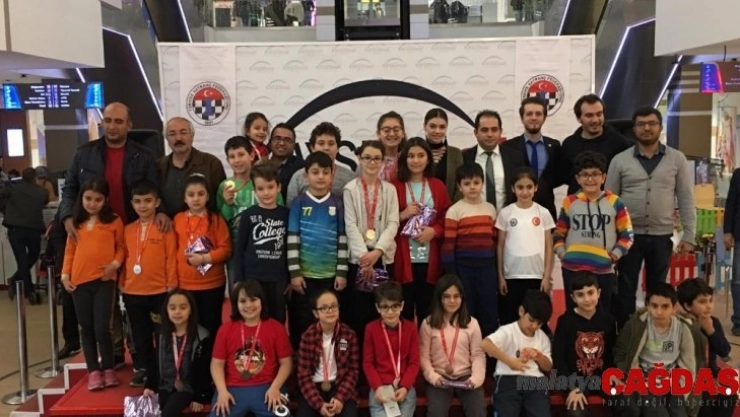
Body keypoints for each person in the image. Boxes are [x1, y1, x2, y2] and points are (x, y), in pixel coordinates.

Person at [60, 102, 162, 368]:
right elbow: (70, 189)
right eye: (108, 120)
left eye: (119, 121)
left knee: (133, 295)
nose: (113, 126)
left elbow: (154, 189)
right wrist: (68, 217)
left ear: (129, 125)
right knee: (107, 300)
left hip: (134, 234)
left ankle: (138, 353)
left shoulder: (144, 155)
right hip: (97, 237)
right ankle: (114, 353)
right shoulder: (84, 154)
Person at [606, 107, 696, 327]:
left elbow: (686, 198)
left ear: (660, 127)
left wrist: (689, 235)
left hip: (662, 236)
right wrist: (609, 238)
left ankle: (656, 332)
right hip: (627, 237)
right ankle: (627, 334)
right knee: (626, 289)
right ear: (634, 129)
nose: (646, 128)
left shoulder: (677, 159)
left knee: (658, 289)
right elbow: (609, 201)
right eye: (641, 124)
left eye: (652, 123)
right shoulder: (619, 160)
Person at [60, 178, 125, 390]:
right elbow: (70, 251)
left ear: (105, 200)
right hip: (79, 283)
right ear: (81, 198)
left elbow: (121, 248)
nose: (92, 203)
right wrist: (65, 276)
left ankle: (108, 367)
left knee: (102, 328)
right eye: (88, 198)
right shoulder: (76, 223)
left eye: (98, 199)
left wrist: (114, 266)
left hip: (104, 281)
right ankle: (93, 371)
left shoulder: (114, 221)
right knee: (86, 329)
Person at [553, 151, 634, 314]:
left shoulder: (615, 202)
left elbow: (627, 235)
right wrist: (563, 254)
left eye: (595, 174)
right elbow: (558, 233)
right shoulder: (570, 202)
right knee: (574, 314)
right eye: (585, 174)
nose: (590, 179)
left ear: (603, 177)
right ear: (578, 179)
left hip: (602, 271)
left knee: (602, 314)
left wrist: (613, 256)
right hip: (572, 270)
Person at [613, 282, 704, 417]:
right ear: (647, 306)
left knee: (680, 414)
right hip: (645, 384)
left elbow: (691, 360)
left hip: (673, 384)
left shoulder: (683, 328)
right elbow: (620, 352)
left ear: (674, 307)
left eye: (665, 306)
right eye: (654, 306)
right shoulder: (636, 325)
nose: (659, 311)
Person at [287, 151, 349, 348]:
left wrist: (341, 272)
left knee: (330, 317)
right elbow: (292, 239)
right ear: (306, 176)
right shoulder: (299, 203)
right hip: (305, 277)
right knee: (303, 318)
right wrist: (295, 273)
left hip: (330, 276)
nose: (320, 177)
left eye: (325, 172)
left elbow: (343, 239)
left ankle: (329, 356)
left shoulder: (338, 203)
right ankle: (302, 356)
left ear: (332, 175)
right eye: (315, 172)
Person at [120, 181, 178, 386]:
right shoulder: (128, 229)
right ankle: (146, 369)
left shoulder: (165, 227)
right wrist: (122, 283)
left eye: (147, 201)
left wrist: (171, 285)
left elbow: (171, 257)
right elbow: (124, 258)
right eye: (137, 202)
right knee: (140, 336)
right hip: (133, 291)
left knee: (162, 334)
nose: (142, 206)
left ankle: (163, 370)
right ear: (132, 204)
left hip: (159, 291)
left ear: (157, 202)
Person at [343, 140, 400, 348]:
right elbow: (350, 224)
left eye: (377, 158)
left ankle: (381, 357)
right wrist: (364, 257)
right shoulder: (350, 189)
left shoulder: (390, 190)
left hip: (382, 258)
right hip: (359, 259)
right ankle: (360, 361)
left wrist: (377, 251)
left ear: (383, 161)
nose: (372, 162)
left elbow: (393, 223)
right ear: (359, 158)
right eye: (367, 157)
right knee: (359, 312)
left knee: (383, 309)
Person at [210, 280, 293, 417]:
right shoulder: (225, 329)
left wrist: (275, 387)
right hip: (232, 388)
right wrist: (222, 391)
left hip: (268, 387)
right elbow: (217, 364)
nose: (248, 305)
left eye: (253, 300)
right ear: (236, 304)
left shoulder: (276, 328)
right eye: (243, 301)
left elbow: (286, 363)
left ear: (262, 301)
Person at [393, 138, 451, 324]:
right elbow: (383, 221)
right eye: (411, 156)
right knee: (404, 313)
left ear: (428, 159)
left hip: (430, 260)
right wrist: (402, 215)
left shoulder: (438, 186)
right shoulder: (394, 186)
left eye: (420, 155)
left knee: (428, 313)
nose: (416, 160)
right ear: (404, 159)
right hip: (403, 261)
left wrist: (434, 231)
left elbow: (446, 217)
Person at [218, 136, 284, 285]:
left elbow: (278, 212)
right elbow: (219, 222)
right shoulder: (224, 186)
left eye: (241, 154)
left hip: (266, 253)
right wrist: (228, 204)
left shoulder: (266, 182)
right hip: (236, 254)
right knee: (240, 294)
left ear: (252, 155)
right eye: (232, 157)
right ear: (227, 160)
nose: (237, 160)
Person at [441, 164, 497, 337]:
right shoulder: (454, 211)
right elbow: (448, 246)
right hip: (463, 270)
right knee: (467, 309)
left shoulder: (490, 209)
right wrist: (452, 274)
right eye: (467, 183)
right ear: (459, 187)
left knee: (489, 309)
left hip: (487, 269)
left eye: (476, 182)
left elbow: (494, 240)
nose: (472, 187)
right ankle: (467, 346)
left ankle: (489, 349)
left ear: (483, 184)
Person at [174, 174, 232, 338]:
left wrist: (204, 259)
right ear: (184, 198)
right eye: (191, 195)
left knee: (211, 326)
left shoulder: (216, 220)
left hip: (212, 284)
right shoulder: (177, 219)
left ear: (207, 196)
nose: (196, 199)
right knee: (190, 328)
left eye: (200, 194)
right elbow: (172, 250)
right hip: (185, 284)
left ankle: (213, 354)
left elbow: (226, 250)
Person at [419, 275, 486, 417]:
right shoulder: (428, 324)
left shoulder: (472, 323)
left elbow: (478, 355)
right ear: (440, 298)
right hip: (439, 376)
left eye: (456, 296)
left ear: (462, 298)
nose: (452, 301)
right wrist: (433, 377)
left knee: (478, 410)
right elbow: (423, 357)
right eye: (447, 296)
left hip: (466, 377)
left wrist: (475, 379)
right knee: (436, 412)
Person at [497, 167, 555, 325]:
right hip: (512, 276)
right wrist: (501, 277)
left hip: (536, 276)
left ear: (536, 188)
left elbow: (549, 246)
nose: (525, 192)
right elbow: (500, 246)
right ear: (512, 188)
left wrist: (546, 276)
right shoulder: (506, 213)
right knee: (510, 319)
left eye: (529, 187)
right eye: (520, 187)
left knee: (535, 317)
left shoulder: (543, 213)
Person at [552, 272, 617, 417]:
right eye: (580, 295)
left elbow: (612, 354)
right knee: (576, 411)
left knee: (627, 404)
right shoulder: (565, 321)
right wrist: (571, 387)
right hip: (575, 380)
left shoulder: (609, 321)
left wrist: (613, 373)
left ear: (598, 293)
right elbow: (559, 358)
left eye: (590, 293)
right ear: (573, 298)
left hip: (603, 379)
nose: (587, 299)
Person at [481, 290, 553, 417]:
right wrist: (510, 361)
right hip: (508, 378)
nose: (534, 326)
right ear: (521, 311)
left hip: (535, 381)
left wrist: (539, 356)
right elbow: (485, 344)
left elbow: (548, 367)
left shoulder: (543, 337)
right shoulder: (508, 331)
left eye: (539, 323)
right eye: (531, 320)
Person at [143, 289, 213, 417]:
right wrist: (150, 386)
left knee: (168, 412)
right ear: (166, 310)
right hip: (165, 386)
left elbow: (203, 369)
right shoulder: (162, 334)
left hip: (187, 388)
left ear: (191, 310)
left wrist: (199, 397)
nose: (177, 312)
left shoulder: (201, 336)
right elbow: (154, 362)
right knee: (148, 408)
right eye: (172, 308)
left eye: (183, 307)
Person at [234, 165, 289, 323]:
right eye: (261, 188)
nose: (266, 193)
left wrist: (291, 277)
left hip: (279, 278)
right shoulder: (248, 215)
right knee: (255, 317)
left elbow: (291, 248)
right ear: (255, 191)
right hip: (253, 277)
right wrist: (239, 278)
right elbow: (239, 249)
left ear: (278, 187)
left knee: (278, 317)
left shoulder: (286, 214)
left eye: (270, 187)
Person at [296, 289, 359, 417]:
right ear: (316, 313)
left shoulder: (349, 334)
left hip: (340, 385)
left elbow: (353, 371)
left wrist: (340, 398)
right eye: (324, 308)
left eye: (334, 306)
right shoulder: (307, 336)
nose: (330, 311)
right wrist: (319, 404)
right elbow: (303, 375)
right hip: (313, 387)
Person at [676, 279, 734, 417]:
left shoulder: (714, 322)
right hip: (689, 376)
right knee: (704, 401)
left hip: (710, 372)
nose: (708, 306)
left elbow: (724, 350)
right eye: (702, 302)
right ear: (687, 305)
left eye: (710, 301)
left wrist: (711, 331)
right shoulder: (680, 324)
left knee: (730, 394)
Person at [501, 97, 564, 221]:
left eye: (538, 114)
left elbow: (557, 177)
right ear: (522, 117)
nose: (534, 117)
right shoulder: (508, 147)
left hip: (546, 211)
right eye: (529, 114)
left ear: (544, 117)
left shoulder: (554, 146)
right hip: (517, 212)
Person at [363, 282, 420, 417]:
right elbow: (368, 363)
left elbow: (414, 363)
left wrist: (405, 387)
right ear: (377, 308)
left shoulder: (411, 328)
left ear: (402, 306)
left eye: (395, 306)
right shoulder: (371, 329)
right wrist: (377, 387)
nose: (390, 312)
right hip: (380, 390)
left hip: (405, 389)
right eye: (385, 307)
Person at [560, 94, 631, 194]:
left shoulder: (619, 143)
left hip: (609, 202)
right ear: (578, 118)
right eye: (589, 115)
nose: (595, 120)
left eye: (599, 114)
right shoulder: (569, 144)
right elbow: (564, 176)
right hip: (576, 201)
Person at [158, 116, 226, 217]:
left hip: (205, 223)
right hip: (169, 225)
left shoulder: (211, 163)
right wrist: (161, 212)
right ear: (166, 139)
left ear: (192, 136)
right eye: (172, 134)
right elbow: (154, 196)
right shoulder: (159, 166)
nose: (178, 138)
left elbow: (221, 200)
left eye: (183, 133)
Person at [462, 110, 525, 213]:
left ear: (500, 131)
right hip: (474, 217)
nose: (490, 134)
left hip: (509, 218)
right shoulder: (465, 157)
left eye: (494, 129)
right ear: (475, 132)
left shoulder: (515, 157)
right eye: (484, 130)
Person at [2, 167, 49, 302]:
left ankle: (19, 284)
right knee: (33, 255)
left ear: (22, 177)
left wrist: (6, 211)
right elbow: (45, 201)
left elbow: (2, 196)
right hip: (33, 229)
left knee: (21, 259)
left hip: (15, 229)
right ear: (35, 178)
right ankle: (28, 290)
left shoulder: (12, 189)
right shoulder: (42, 192)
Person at [286, 122, 355, 205]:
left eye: (331, 144)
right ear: (312, 147)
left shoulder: (350, 178)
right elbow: (290, 207)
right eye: (321, 143)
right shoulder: (298, 177)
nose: (326, 148)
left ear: (338, 148)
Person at [424, 108, 464, 202]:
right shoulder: (416, 152)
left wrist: (451, 208)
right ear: (425, 126)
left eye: (442, 127)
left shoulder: (456, 154)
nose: (437, 131)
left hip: (450, 208)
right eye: (432, 126)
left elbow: (461, 185)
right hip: (420, 208)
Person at [723, 168, 740, 335]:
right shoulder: (738, 174)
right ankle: (739, 321)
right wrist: (727, 231)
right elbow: (731, 203)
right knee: (738, 281)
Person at [268, 123, 303, 202]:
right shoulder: (261, 167)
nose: (281, 143)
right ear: (270, 142)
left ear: (294, 145)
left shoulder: (301, 167)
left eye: (287, 140)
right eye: (277, 138)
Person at [375, 112, 407, 183]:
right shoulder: (369, 159)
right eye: (386, 130)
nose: (392, 134)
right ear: (378, 133)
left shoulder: (409, 159)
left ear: (403, 133)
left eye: (396, 130)